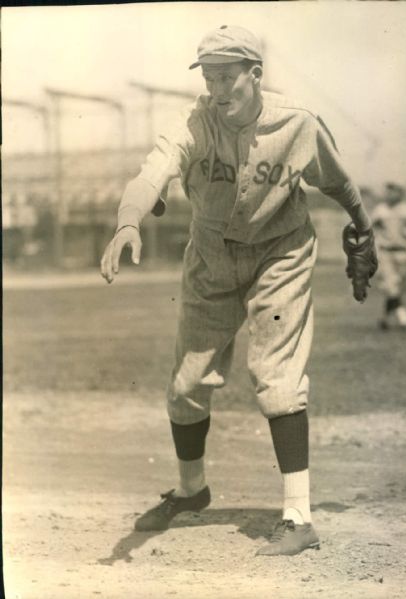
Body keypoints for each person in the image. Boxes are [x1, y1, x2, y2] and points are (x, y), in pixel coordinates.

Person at [100, 25, 374, 556]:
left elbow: (337, 182)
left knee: (277, 373)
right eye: (209, 76)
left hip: (281, 250)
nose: (219, 87)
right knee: (186, 383)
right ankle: (190, 490)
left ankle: (298, 516)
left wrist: (363, 228)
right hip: (211, 254)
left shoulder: (297, 122)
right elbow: (153, 171)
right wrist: (128, 220)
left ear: (255, 74)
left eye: (228, 75)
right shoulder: (194, 121)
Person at [371, 182, 406, 330]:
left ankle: (384, 318)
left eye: (391, 192)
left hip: (402, 252)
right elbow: (370, 228)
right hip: (385, 252)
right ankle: (403, 317)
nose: (388, 195)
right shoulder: (380, 210)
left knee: (397, 288)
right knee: (391, 285)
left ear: (399, 193)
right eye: (386, 192)